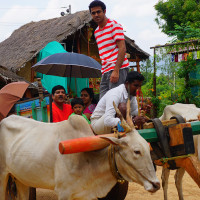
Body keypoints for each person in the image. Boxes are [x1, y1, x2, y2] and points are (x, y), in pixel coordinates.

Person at [89, 0, 130, 99]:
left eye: (98, 12)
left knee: (116, 102)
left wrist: (116, 70)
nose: (96, 15)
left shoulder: (114, 25)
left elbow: (122, 48)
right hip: (105, 70)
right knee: (103, 101)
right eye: (93, 13)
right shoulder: (97, 32)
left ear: (104, 11)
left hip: (118, 68)